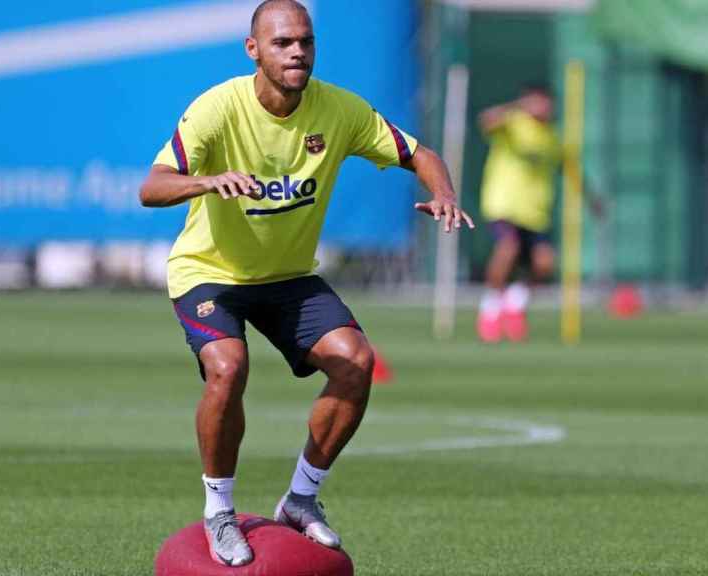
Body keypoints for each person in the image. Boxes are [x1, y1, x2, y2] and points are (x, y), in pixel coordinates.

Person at [139, 0, 474, 567]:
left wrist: (443, 193)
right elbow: (152, 187)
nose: (297, 52)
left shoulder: (340, 110)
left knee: (356, 361)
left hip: (288, 276)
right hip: (209, 272)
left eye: (305, 41)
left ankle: (300, 498)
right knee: (228, 367)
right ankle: (219, 509)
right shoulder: (218, 108)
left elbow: (420, 154)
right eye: (282, 43)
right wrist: (207, 180)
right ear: (254, 50)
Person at [475, 86, 562, 343]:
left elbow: (569, 166)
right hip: (503, 205)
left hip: (535, 212)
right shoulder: (512, 123)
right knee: (508, 247)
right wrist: (517, 106)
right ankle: (490, 308)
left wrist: (592, 200)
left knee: (545, 263)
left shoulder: (552, 137)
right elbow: (485, 120)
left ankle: (515, 303)